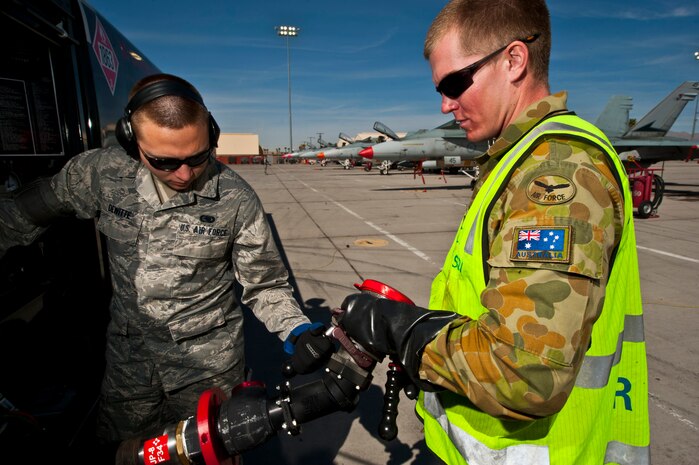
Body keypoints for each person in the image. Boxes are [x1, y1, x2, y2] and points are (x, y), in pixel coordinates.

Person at [335, 1, 649, 464]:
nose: (445, 103)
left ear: (514, 60)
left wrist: (400, 331)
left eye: (455, 83)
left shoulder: (555, 172)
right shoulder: (516, 160)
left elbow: (526, 371)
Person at [0, 73, 332, 446]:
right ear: (131, 141)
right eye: (165, 162)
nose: (185, 174)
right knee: (123, 452)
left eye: (199, 156)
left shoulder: (236, 199)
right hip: (130, 365)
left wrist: (295, 327)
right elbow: (19, 215)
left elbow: (265, 283)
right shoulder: (101, 174)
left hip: (208, 369)